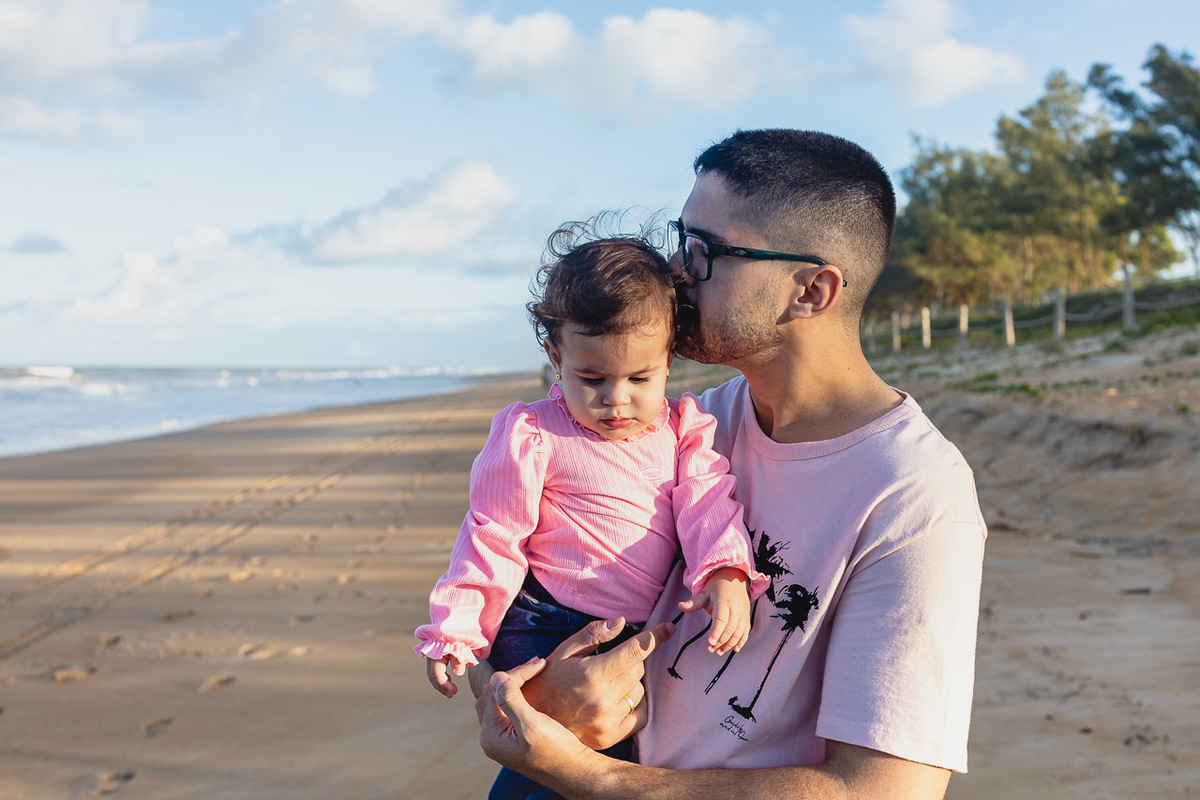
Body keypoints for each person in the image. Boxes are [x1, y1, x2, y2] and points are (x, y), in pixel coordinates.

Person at [473, 129, 988, 800]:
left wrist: (593, 776)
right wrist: (529, 697)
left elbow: (884, 791)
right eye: (678, 239)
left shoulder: (913, 495)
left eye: (704, 252)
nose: (673, 272)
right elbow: (504, 590)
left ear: (811, 291)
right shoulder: (675, 427)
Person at [414, 227, 768, 796]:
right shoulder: (535, 433)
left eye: (639, 378)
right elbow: (493, 535)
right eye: (591, 378)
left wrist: (726, 571)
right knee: (545, 755)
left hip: (634, 632)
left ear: (669, 361)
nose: (615, 398)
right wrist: (457, 629)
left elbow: (707, 502)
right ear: (557, 358)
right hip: (542, 621)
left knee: (602, 761)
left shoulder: (683, 430)